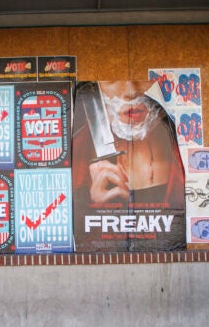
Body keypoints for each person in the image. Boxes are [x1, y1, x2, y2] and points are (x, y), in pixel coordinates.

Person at [72, 81, 186, 252]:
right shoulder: (76, 153)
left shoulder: (183, 143)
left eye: (141, 76)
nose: (131, 91)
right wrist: (95, 210)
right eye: (111, 80)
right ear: (98, 87)